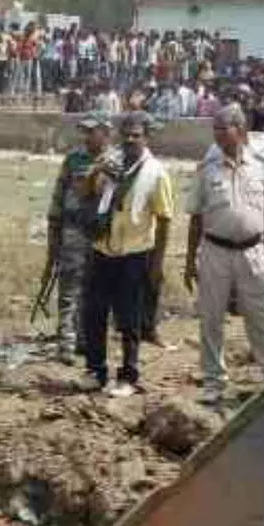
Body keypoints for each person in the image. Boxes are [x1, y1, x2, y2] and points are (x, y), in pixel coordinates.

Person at [183, 106, 264, 410]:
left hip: (253, 251)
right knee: (211, 318)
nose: (216, 134)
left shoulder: (262, 165)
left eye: (222, 128)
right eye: (214, 128)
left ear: (240, 130)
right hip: (215, 250)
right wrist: (190, 261)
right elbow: (195, 218)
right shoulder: (207, 168)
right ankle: (214, 381)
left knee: (263, 317)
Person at [83, 111, 175, 396]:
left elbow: (165, 219)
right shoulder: (110, 162)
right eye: (127, 135)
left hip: (135, 254)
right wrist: (97, 171)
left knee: (129, 317)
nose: (131, 140)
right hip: (102, 250)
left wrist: (157, 264)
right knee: (95, 313)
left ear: (147, 137)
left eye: (137, 135)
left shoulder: (156, 172)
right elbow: (86, 193)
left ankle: (129, 376)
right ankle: (95, 370)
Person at [47, 116, 107, 358]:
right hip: (73, 231)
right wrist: (54, 227)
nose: (86, 136)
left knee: (95, 289)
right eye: (84, 131)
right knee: (69, 287)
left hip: (103, 235)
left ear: (106, 132)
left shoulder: (115, 162)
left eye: (91, 131)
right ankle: (66, 342)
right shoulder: (73, 160)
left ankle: (86, 337)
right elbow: (59, 196)